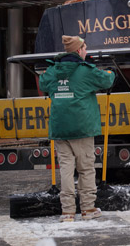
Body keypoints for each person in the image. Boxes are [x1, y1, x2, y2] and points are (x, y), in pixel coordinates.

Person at [39, 35, 115, 222]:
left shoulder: (53, 71)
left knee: (66, 169)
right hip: (82, 129)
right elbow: (107, 81)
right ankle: (88, 208)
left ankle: (67, 212)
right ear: (79, 50)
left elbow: (43, 84)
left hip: (60, 129)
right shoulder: (85, 71)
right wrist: (112, 72)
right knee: (86, 169)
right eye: (85, 48)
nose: (86, 51)